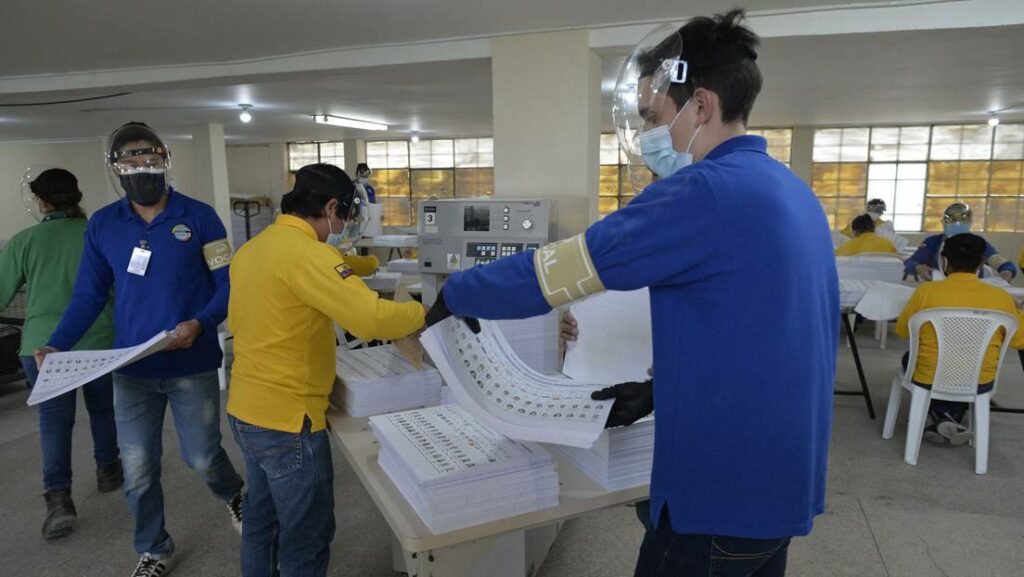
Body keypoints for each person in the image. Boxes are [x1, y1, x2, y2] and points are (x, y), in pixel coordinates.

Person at [426, 10, 837, 576]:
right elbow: (765, 332)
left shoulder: (702, 192)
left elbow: (557, 271)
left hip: (717, 495)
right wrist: (665, 389)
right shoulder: (791, 190)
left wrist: (458, 293)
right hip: (780, 482)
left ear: (701, 106)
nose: (649, 134)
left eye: (653, 115)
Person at [36, 122, 244, 577]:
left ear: (164, 160)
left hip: (192, 360)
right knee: (138, 469)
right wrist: (58, 344)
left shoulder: (200, 216)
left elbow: (228, 282)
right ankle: (154, 548)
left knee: (203, 456)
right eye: (130, 161)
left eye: (149, 159)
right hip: (132, 369)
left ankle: (235, 494)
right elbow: (88, 295)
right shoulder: (104, 226)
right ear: (116, 169)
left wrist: (201, 322)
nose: (141, 169)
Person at [227, 163, 425, 576]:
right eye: (346, 218)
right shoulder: (309, 257)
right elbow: (369, 321)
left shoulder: (257, 247)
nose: (345, 227)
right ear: (332, 207)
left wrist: (366, 265)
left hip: (246, 409)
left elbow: (331, 261)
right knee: (307, 536)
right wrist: (425, 311)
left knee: (262, 522)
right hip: (289, 419)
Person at [0, 168, 122, 539]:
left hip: (42, 347)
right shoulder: (97, 234)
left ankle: (58, 499)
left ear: (42, 202)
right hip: (99, 340)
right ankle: (108, 469)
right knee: (103, 407)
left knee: (54, 421)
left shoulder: (23, 241)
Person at [896, 233, 1024, 444]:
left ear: (945, 261)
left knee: (910, 358)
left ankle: (942, 417)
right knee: (968, 366)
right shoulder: (1001, 297)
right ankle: (950, 420)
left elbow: (903, 331)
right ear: (982, 263)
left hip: (931, 375)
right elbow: (1019, 340)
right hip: (979, 380)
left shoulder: (926, 292)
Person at [904, 202, 1015, 282]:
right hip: (940, 290)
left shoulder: (978, 244)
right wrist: (918, 268)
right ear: (943, 222)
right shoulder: (933, 243)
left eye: (962, 221)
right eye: (952, 221)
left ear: (970, 223)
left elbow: (1001, 262)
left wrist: (1007, 272)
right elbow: (911, 262)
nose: (957, 224)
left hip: (973, 293)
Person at [834, 214, 898, 256]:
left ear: (855, 232)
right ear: (874, 229)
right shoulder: (888, 244)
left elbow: (836, 260)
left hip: (858, 276)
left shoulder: (848, 246)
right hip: (884, 276)